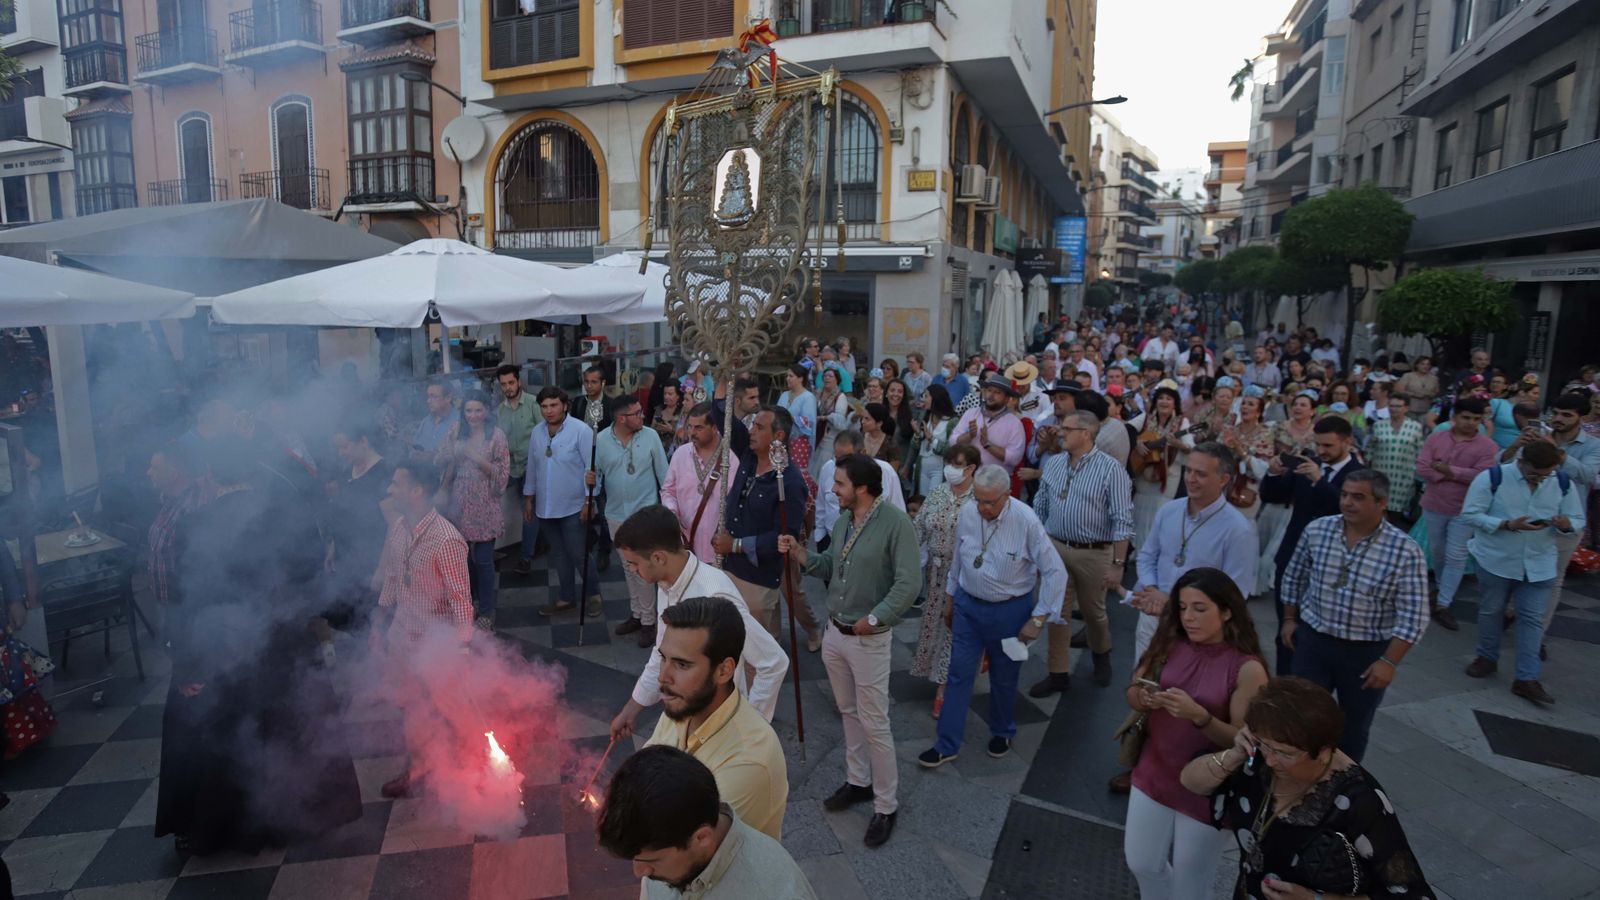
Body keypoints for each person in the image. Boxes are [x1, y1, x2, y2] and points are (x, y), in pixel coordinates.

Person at [159, 440, 361, 853]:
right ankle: (302, 816)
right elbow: (314, 580)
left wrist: (188, 663)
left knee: (229, 731)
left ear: (211, 478)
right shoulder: (288, 517)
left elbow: (190, 598)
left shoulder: (193, 524)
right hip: (284, 640)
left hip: (225, 646)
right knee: (293, 722)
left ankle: (229, 827)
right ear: (253, 474)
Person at [1179, 677, 1437, 900]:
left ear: (1324, 751)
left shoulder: (1360, 800)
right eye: (1265, 745)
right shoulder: (1256, 759)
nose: (1270, 760)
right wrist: (1235, 753)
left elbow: (1411, 894)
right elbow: (1191, 781)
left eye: (1285, 753)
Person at [779, 455, 921, 848]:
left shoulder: (895, 524)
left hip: (868, 638)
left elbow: (910, 583)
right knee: (848, 712)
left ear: (861, 488)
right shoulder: (844, 521)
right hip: (836, 633)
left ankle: (886, 805)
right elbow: (830, 565)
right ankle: (858, 781)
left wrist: (876, 619)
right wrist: (800, 554)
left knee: (875, 722)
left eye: (839, 484)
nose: (833, 489)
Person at [1123, 567, 1267, 900]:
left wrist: (1200, 717)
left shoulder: (1247, 668)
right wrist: (1142, 697)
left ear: (1227, 611)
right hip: (1154, 771)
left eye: (1200, 609)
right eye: (1183, 608)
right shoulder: (1169, 642)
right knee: (1142, 862)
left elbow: (1245, 744)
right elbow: (1133, 689)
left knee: (1191, 887)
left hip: (1208, 789)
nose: (1189, 617)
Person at [919, 464, 1068, 768]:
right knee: (958, 673)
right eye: (979, 500)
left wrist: (1038, 619)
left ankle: (1002, 730)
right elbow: (960, 558)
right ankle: (946, 743)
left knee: (1004, 676)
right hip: (968, 605)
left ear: (1007, 495)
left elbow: (1055, 571)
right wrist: (950, 598)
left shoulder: (1025, 520)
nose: (984, 508)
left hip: (1010, 611)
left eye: (990, 502)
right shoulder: (969, 513)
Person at [1279, 470, 1428, 761]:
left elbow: (1414, 616)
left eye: (1358, 497)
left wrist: (1388, 662)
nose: (1347, 502)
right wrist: (1288, 619)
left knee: (1353, 727)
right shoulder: (1318, 530)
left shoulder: (1404, 550)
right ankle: (1295, 773)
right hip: (1314, 643)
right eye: (1345, 494)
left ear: (1382, 502)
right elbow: (1293, 576)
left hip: (1365, 654)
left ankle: (1343, 786)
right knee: (1301, 716)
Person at [609, 505, 788, 737]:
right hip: (683, 713)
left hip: (719, 724)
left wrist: (750, 727)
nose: (631, 569)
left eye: (634, 563)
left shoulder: (715, 596)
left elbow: (773, 662)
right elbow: (662, 653)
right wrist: (632, 708)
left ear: (658, 557)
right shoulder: (666, 584)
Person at [643, 597, 789, 839]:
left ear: (724, 670)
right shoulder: (684, 702)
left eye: (681, 664)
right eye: (663, 658)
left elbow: (681, 848)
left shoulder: (749, 760)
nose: (663, 676)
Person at [596, 745, 817, 900]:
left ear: (701, 838)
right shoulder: (662, 848)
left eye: (651, 860)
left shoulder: (775, 892)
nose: (639, 872)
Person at [1460, 441, 1585, 706]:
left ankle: (1527, 678)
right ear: (1522, 462)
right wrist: (1504, 524)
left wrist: (1566, 524)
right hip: (1497, 559)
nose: (1540, 479)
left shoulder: (1561, 483)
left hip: (1540, 564)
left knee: (1531, 619)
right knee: (1491, 610)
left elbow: (1577, 518)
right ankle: (1487, 657)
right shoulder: (1493, 477)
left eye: (1545, 474)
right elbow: (1470, 514)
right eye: (1534, 474)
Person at [1030, 411, 1135, 695]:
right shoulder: (1053, 464)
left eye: (1067, 428)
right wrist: (1037, 546)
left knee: (1093, 612)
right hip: (1056, 547)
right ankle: (1058, 672)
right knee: (1057, 613)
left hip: (1094, 552)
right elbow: (1041, 504)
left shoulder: (1111, 469)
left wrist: (1117, 564)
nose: (1060, 432)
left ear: (1086, 433)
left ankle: (1102, 654)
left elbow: (1122, 519)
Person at [1262, 415, 1364, 675]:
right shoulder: (1309, 465)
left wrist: (1321, 482)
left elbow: (1347, 511)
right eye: (1318, 444)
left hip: (1332, 565)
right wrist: (1273, 473)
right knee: (1286, 627)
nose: (1321, 451)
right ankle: (1284, 683)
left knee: (1318, 635)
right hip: (1293, 556)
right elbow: (1273, 495)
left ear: (1347, 442)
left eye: (1328, 446)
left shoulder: (1360, 475)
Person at [714, 406, 820, 651]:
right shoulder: (749, 457)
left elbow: (784, 539)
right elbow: (723, 418)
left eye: (759, 427)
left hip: (759, 575)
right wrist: (721, 378)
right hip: (731, 568)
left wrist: (736, 545)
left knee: (756, 647)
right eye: (752, 425)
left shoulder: (790, 482)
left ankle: (809, 631)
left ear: (778, 436)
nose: (751, 431)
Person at [910, 444, 981, 717]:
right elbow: (919, 529)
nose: (951, 468)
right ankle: (937, 673)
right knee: (934, 626)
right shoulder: (939, 492)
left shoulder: (978, 498)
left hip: (965, 577)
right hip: (936, 575)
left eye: (957, 463)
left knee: (955, 630)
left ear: (971, 468)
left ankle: (945, 688)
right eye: (949, 462)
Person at [1415, 397, 1497, 631]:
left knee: (1456, 555)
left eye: (1476, 419)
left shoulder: (1488, 447)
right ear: (1454, 417)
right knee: (1438, 550)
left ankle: (1443, 602)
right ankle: (1442, 587)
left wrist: (1449, 470)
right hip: (1434, 504)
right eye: (1466, 418)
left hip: (1466, 508)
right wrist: (1455, 474)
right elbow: (1422, 467)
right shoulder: (1436, 438)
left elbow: (1483, 476)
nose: (1471, 423)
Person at [594, 394, 670, 645]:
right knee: (629, 569)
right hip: (615, 514)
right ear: (620, 418)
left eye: (641, 412)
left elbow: (665, 476)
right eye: (636, 413)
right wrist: (590, 490)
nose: (642, 416)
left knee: (645, 570)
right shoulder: (602, 439)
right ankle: (637, 614)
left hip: (645, 515)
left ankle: (649, 621)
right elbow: (596, 476)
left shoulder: (650, 436)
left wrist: (668, 511)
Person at [523, 386, 602, 618]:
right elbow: (532, 466)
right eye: (544, 406)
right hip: (546, 506)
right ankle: (566, 597)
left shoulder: (581, 431)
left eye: (554, 405)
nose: (549, 411)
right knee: (558, 554)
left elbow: (593, 467)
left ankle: (594, 594)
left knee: (578, 553)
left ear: (565, 405)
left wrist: (590, 501)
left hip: (574, 505)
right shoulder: (537, 432)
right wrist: (529, 498)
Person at [437, 393, 510, 628]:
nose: (473, 416)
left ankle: (487, 611)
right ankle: (469, 603)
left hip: (485, 504)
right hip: (459, 502)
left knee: (483, 561)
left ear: (486, 411)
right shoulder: (457, 430)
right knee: (462, 559)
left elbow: (501, 474)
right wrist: (443, 487)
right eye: (469, 411)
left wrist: (475, 456)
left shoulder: (496, 436)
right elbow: (445, 460)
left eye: (478, 410)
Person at [660, 402, 741, 570]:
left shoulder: (731, 459)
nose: (691, 433)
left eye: (699, 428)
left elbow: (738, 502)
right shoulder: (681, 453)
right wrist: (671, 511)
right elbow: (668, 490)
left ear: (714, 428)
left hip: (718, 551)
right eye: (689, 426)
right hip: (684, 545)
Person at [146, 441, 213, 610]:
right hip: (166, 604)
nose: (148, 473)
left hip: (184, 606)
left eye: (155, 468)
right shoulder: (169, 499)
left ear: (174, 475)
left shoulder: (191, 510)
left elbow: (195, 568)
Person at [812, 431, 907, 549]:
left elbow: (899, 513)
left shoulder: (886, 472)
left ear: (863, 453)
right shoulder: (828, 468)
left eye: (847, 459)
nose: (840, 465)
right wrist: (820, 536)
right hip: (831, 543)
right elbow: (821, 504)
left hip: (871, 548)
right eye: (837, 458)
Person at [1130, 386, 1195, 547]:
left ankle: (1153, 549)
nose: (1164, 401)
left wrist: (1177, 443)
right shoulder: (1145, 418)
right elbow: (1127, 430)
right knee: (1138, 511)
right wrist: (1137, 443)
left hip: (1168, 475)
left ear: (1175, 404)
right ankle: (1136, 549)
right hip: (1143, 473)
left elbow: (1190, 448)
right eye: (1160, 398)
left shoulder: (1182, 422)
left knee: (1161, 511)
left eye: (1169, 398)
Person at [1368, 391, 1425, 527]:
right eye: (1391, 406)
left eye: (1398, 406)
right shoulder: (1378, 426)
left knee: (1395, 518)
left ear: (1406, 408)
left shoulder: (1415, 427)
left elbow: (1420, 452)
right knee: (1376, 512)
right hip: (1380, 475)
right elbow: (1370, 450)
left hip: (1403, 478)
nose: (1394, 409)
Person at [952, 373, 1027, 473]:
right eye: (989, 390)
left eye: (998, 392)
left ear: (1007, 399)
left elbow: (1015, 458)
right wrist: (969, 436)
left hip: (995, 483)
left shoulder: (1014, 423)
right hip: (967, 477)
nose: (991, 395)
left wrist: (988, 445)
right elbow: (952, 441)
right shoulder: (971, 413)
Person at [912, 384, 958, 496]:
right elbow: (915, 447)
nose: (923, 399)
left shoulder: (952, 421)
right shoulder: (924, 416)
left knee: (934, 502)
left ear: (936, 399)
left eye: (926, 396)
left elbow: (950, 450)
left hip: (939, 469)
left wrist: (931, 439)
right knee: (921, 502)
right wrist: (917, 434)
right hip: (922, 466)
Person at [778, 364, 818, 481]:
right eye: (787, 376)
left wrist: (791, 416)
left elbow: (809, 422)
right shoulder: (784, 395)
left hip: (799, 441)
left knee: (797, 474)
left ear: (800, 378)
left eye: (791, 376)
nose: (787, 379)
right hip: (781, 440)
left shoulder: (808, 397)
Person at [410, 381, 459, 461]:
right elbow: (414, 448)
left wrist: (434, 456)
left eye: (434, 397)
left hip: (445, 470)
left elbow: (459, 453)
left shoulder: (458, 420)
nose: (428, 401)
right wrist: (416, 454)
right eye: (428, 397)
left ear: (448, 398)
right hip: (420, 468)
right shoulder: (426, 422)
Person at [858, 401, 902, 469]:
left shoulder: (891, 444)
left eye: (867, 419)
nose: (862, 421)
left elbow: (892, 472)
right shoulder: (858, 438)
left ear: (879, 423)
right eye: (862, 418)